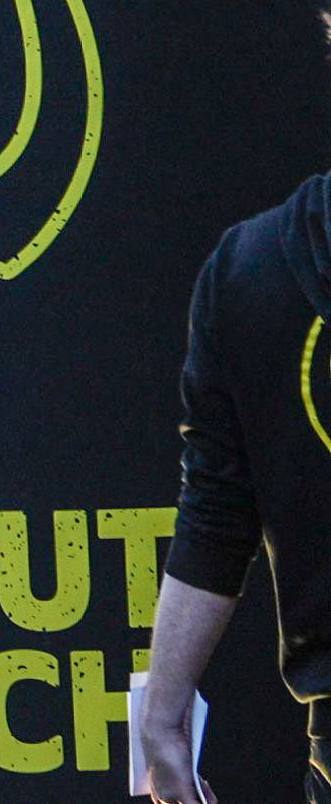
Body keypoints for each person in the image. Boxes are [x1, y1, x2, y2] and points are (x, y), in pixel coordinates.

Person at [143, 174, 331, 800]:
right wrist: (160, 720)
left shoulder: (250, 269)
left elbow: (217, 516)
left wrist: (163, 720)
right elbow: (216, 516)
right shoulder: (249, 271)